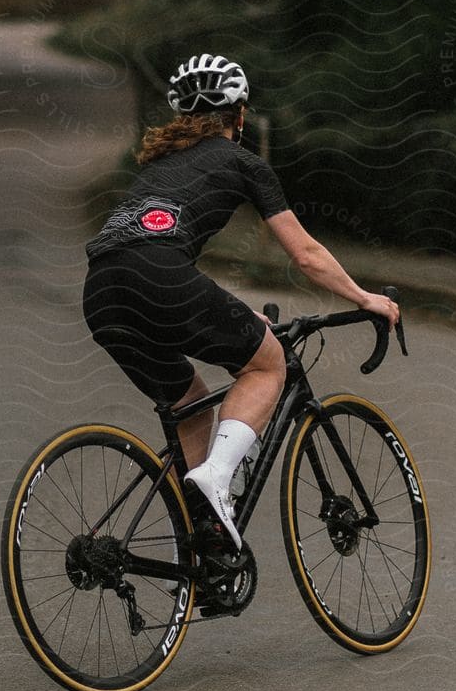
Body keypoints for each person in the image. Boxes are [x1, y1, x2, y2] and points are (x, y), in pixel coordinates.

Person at [82, 52, 400, 555]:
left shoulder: (161, 166)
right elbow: (307, 255)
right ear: (241, 115)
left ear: (183, 117)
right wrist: (367, 299)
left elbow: (155, 255)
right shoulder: (244, 163)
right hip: (161, 279)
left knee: (189, 404)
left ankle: (202, 544)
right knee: (267, 366)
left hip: (100, 292)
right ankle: (216, 477)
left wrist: (235, 314)